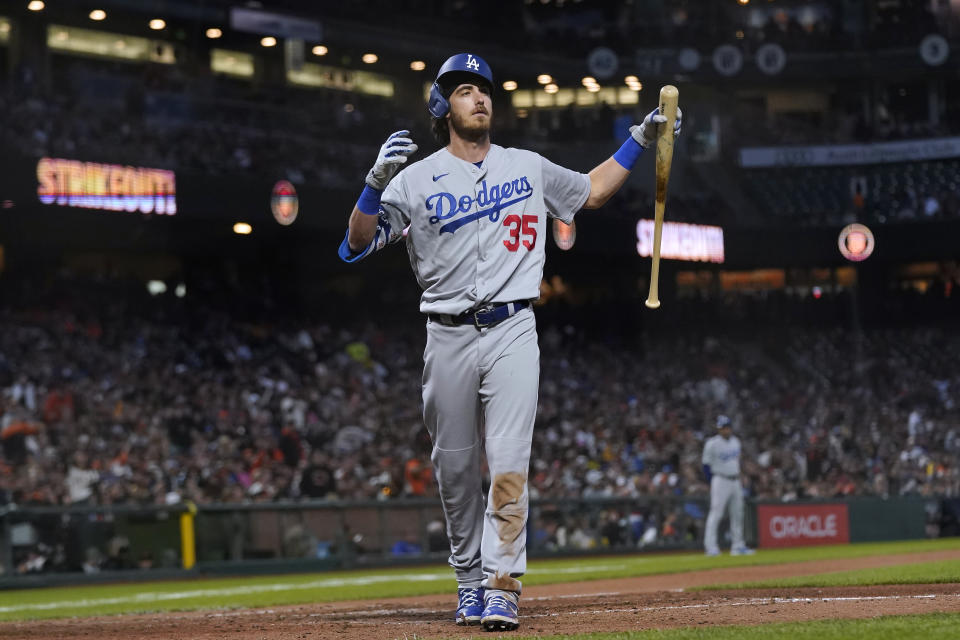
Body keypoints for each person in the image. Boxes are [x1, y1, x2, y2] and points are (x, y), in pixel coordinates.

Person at [337, 52, 681, 632]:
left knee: (509, 460)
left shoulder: (525, 165)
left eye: (485, 89)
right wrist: (372, 187)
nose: (480, 97)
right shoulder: (414, 179)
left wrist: (642, 137)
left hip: (513, 327)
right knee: (453, 468)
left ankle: (502, 584)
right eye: (465, 89)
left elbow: (591, 192)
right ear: (443, 106)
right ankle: (468, 578)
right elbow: (356, 245)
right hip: (445, 333)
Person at [702, 414, 755, 557]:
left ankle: (738, 546)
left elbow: (737, 462)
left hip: (735, 480)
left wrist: (742, 475)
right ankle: (711, 546)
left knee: (738, 513)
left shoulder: (736, 442)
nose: (724, 430)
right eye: (722, 428)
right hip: (720, 479)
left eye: (726, 427)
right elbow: (706, 466)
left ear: (730, 428)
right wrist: (711, 482)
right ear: (719, 429)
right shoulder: (712, 443)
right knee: (716, 513)